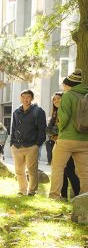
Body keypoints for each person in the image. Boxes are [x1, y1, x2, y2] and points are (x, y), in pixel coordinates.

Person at [49, 70, 88, 200]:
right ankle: (84, 198)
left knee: (58, 168)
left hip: (66, 139)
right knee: (84, 172)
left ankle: (54, 195)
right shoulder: (86, 95)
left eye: (64, 84)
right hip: (84, 140)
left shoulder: (67, 96)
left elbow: (63, 119)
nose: (63, 87)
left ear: (69, 84)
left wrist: (60, 128)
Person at [10, 89, 47, 196]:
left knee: (32, 170)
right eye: (24, 97)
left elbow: (42, 129)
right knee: (19, 170)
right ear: (21, 98)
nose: (26, 99)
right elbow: (13, 128)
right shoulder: (16, 112)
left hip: (32, 146)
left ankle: (32, 191)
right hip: (17, 146)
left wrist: (37, 145)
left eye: (28, 97)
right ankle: (22, 190)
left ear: (32, 98)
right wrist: (12, 143)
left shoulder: (38, 111)